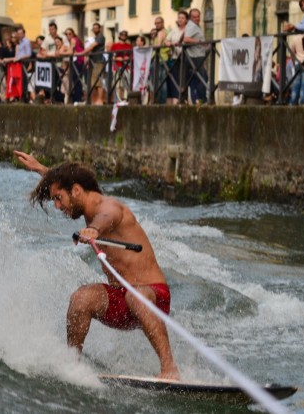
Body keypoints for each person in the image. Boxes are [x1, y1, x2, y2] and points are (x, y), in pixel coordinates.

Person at [13, 151, 180, 380]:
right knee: (81, 298)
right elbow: (64, 180)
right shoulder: (80, 198)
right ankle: (72, 365)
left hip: (152, 298)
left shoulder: (109, 207)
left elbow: (107, 216)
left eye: (59, 198)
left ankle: (169, 369)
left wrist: (94, 230)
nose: (58, 206)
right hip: (123, 301)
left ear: (77, 191)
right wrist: (41, 169)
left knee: (135, 296)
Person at [183, 8, 209, 104]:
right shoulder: (192, 26)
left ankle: (197, 100)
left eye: (198, 16)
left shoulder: (196, 26)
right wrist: (199, 42)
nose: (197, 18)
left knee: (200, 78)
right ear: (191, 17)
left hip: (197, 55)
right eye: (194, 17)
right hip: (195, 57)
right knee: (201, 78)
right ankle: (201, 100)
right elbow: (186, 39)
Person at [164, 11, 188, 105]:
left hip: (185, 58)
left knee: (183, 80)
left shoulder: (188, 30)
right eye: (179, 18)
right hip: (174, 58)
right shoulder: (174, 30)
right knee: (174, 80)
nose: (180, 19)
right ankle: (175, 100)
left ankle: (182, 100)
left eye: (182, 18)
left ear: (186, 20)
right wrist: (168, 43)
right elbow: (166, 40)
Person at [81, 22, 107, 105]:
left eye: (96, 28)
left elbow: (92, 46)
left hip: (99, 61)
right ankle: (94, 100)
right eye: (94, 28)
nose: (95, 29)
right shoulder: (95, 38)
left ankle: (99, 100)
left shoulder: (100, 37)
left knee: (98, 82)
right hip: (93, 61)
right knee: (93, 82)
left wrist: (81, 53)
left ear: (100, 29)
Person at [65, 27, 85, 104]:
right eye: (66, 34)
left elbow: (70, 51)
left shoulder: (73, 40)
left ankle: (77, 99)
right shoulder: (76, 40)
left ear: (73, 34)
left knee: (76, 80)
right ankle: (77, 98)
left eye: (70, 33)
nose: (68, 35)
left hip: (78, 61)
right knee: (77, 80)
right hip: (79, 61)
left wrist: (60, 53)